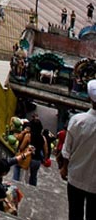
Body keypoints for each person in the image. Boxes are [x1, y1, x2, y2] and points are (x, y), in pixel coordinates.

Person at [60, 79, 96, 219]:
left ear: (89, 98)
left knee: (75, 213)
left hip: (75, 176)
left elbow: (67, 150)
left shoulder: (77, 120)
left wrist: (64, 167)